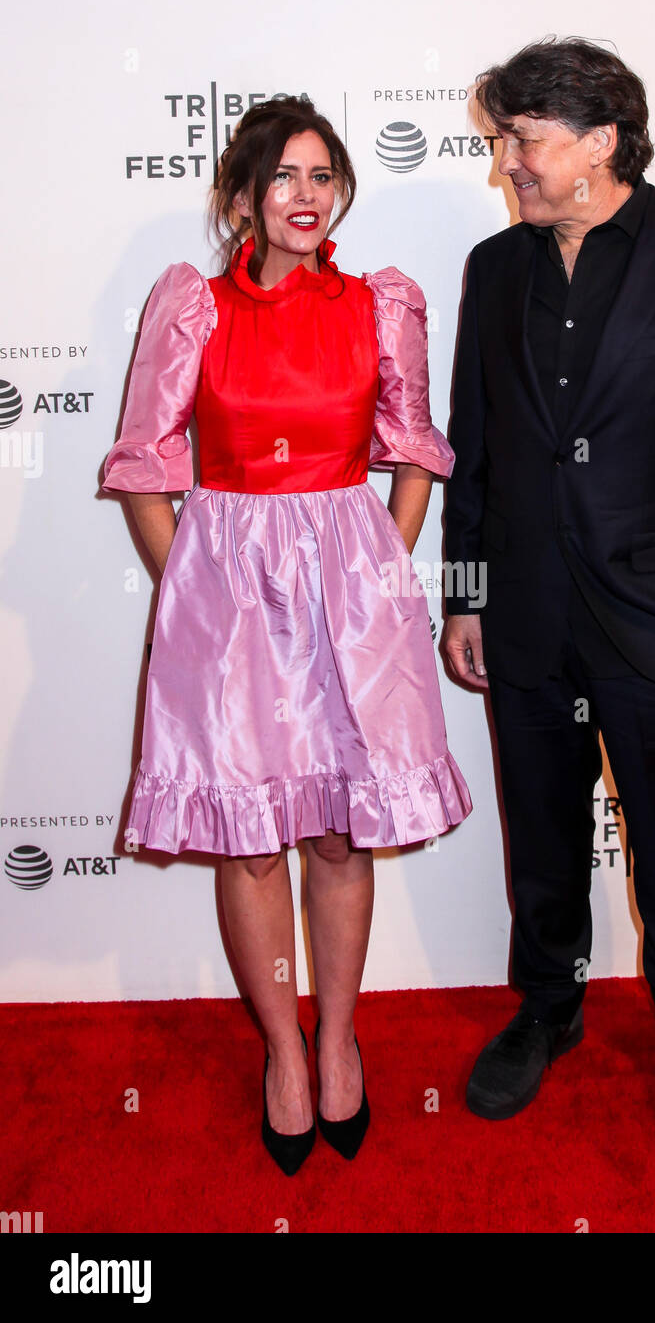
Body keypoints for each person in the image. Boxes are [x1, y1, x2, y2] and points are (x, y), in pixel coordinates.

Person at [102, 94, 471, 1175]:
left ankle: (341, 1036)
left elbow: (411, 450)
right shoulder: (192, 309)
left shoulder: (377, 305)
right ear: (241, 200)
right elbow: (144, 463)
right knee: (254, 836)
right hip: (227, 611)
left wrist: (381, 569)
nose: (305, 196)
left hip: (348, 607)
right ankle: (281, 1053)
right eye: (283, 178)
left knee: (340, 832)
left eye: (322, 176)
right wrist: (198, 594)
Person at [442, 38, 655, 1159]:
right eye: (502, 140)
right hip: (528, 617)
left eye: (525, 141)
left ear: (600, 141)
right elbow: (477, 450)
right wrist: (464, 597)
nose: (507, 164)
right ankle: (547, 1008)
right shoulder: (493, 272)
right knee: (541, 834)